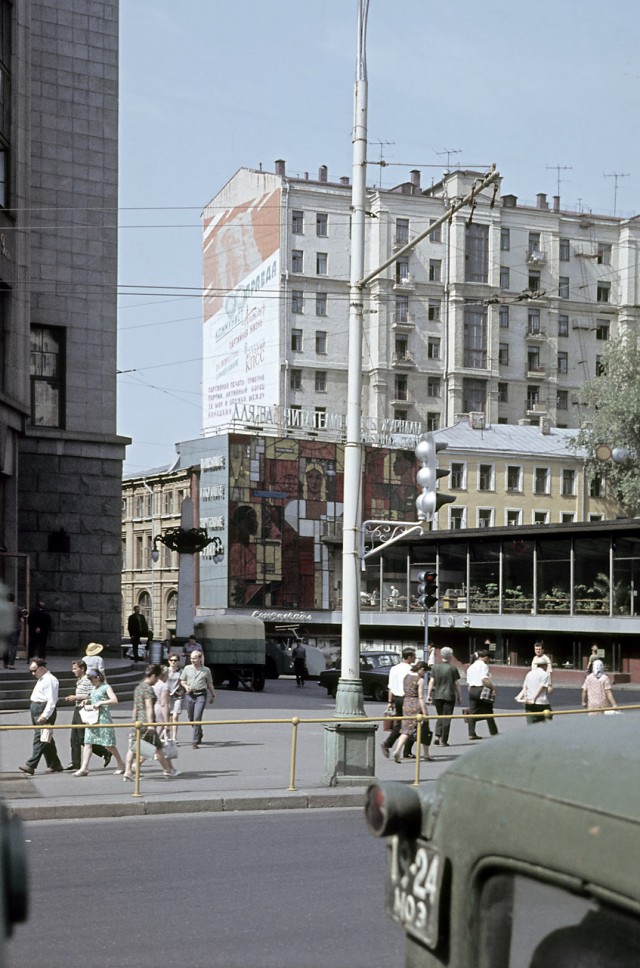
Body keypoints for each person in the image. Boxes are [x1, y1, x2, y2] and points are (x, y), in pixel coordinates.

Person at [123, 664, 180, 780]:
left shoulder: (138, 687)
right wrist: (151, 724)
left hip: (137, 721)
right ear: (153, 676)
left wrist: (133, 720)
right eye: (157, 677)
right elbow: (149, 707)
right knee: (157, 748)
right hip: (146, 722)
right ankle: (167, 770)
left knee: (133, 747)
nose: (157, 680)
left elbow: (135, 706)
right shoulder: (148, 689)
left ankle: (128, 771)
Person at [74, 669, 126, 776]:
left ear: (97, 678)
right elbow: (92, 699)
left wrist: (102, 702)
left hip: (103, 718)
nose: (90, 681)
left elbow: (114, 700)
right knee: (88, 742)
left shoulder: (106, 687)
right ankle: (84, 768)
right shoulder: (94, 688)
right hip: (93, 719)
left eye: (91, 678)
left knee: (108, 744)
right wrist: (87, 701)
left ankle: (121, 764)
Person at [63, 659, 112, 770]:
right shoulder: (80, 680)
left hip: (84, 709)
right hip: (77, 708)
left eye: (75, 669)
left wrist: (76, 697)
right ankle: (75, 762)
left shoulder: (87, 680)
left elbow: (93, 695)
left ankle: (104, 752)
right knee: (73, 738)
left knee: (81, 737)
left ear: (82, 669)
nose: (73, 671)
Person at [18, 658, 64, 775]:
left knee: (40, 737)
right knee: (46, 737)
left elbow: (52, 701)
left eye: (34, 670)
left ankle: (31, 764)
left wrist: (45, 715)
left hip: (43, 708)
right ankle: (55, 763)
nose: (33, 674)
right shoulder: (42, 679)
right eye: (31, 671)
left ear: (42, 668)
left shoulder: (50, 680)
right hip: (36, 707)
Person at [391, 661, 432, 763]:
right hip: (416, 705)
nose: (424, 674)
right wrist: (425, 712)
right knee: (425, 729)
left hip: (406, 703)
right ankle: (426, 754)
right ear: (421, 669)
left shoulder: (406, 677)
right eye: (425, 672)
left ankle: (397, 750)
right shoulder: (420, 680)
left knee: (406, 730)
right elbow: (421, 697)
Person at [380, 648, 416, 759]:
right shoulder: (411, 669)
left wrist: (390, 702)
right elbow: (413, 686)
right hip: (407, 699)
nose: (415, 658)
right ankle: (407, 751)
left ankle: (388, 743)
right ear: (409, 657)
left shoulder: (394, 669)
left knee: (400, 723)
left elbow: (390, 686)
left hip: (396, 698)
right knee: (411, 725)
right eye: (414, 656)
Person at [179, 649, 216, 749]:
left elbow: (209, 683)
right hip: (190, 695)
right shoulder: (187, 668)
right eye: (191, 658)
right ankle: (199, 732)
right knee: (191, 718)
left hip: (201, 695)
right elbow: (182, 681)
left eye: (194, 658)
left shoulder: (206, 670)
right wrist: (186, 687)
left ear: (200, 659)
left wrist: (213, 695)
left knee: (197, 717)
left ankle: (195, 741)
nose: (192, 660)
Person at [427, 646, 461, 746]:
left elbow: (432, 681)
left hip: (437, 695)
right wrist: (460, 696)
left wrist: (428, 694)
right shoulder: (452, 668)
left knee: (440, 715)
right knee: (447, 718)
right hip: (449, 695)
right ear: (450, 656)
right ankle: (444, 740)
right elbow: (456, 684)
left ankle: (437, 736)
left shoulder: (435, 667)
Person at [466, 649, 499, 739]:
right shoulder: (483, 666)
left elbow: (468, 683)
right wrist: (492, 688)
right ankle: (494, 732)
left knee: (473, 711)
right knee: (488, 710)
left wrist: (470, 692)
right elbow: (484, 679)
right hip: (480, 689)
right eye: (488, 658)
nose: (488, 660)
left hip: (472, 689)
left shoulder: (471, 667)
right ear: (486, 657)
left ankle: (471, 733)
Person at [517, 657, 553, 724]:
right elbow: (541, 687)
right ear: (545, 665)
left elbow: (525, 687)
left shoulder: (529, 673)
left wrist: (524, 697)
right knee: (548, 719)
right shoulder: (545, 674)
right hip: (541, 703)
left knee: (531, 724)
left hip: (529, 702)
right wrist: (534, 698)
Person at [166, 652, 184, 741]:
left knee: (175, 716)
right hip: (167, 695)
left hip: (178, 694)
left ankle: (174, 737)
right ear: (169, 661)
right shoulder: (165, 671)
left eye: (175, 660)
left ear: (178, 662)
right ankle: (167, 735)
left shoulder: (181, 671)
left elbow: (183, 682)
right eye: (171, 660)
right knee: (168, 716)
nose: (173, 662)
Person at [2, 592, 22, 669]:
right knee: (13, 646)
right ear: (14, 599)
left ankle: (5, 663)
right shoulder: (17, 608)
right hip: (15, 629)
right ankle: (11, 664)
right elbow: (21, 619)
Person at [153, 665, 170, 733]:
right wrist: (167, 722)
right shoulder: (164, 686)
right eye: (167, 675)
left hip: (150, 707)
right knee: (159, 729)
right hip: (159, 708)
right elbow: (164, 704)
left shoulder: (152, 684)